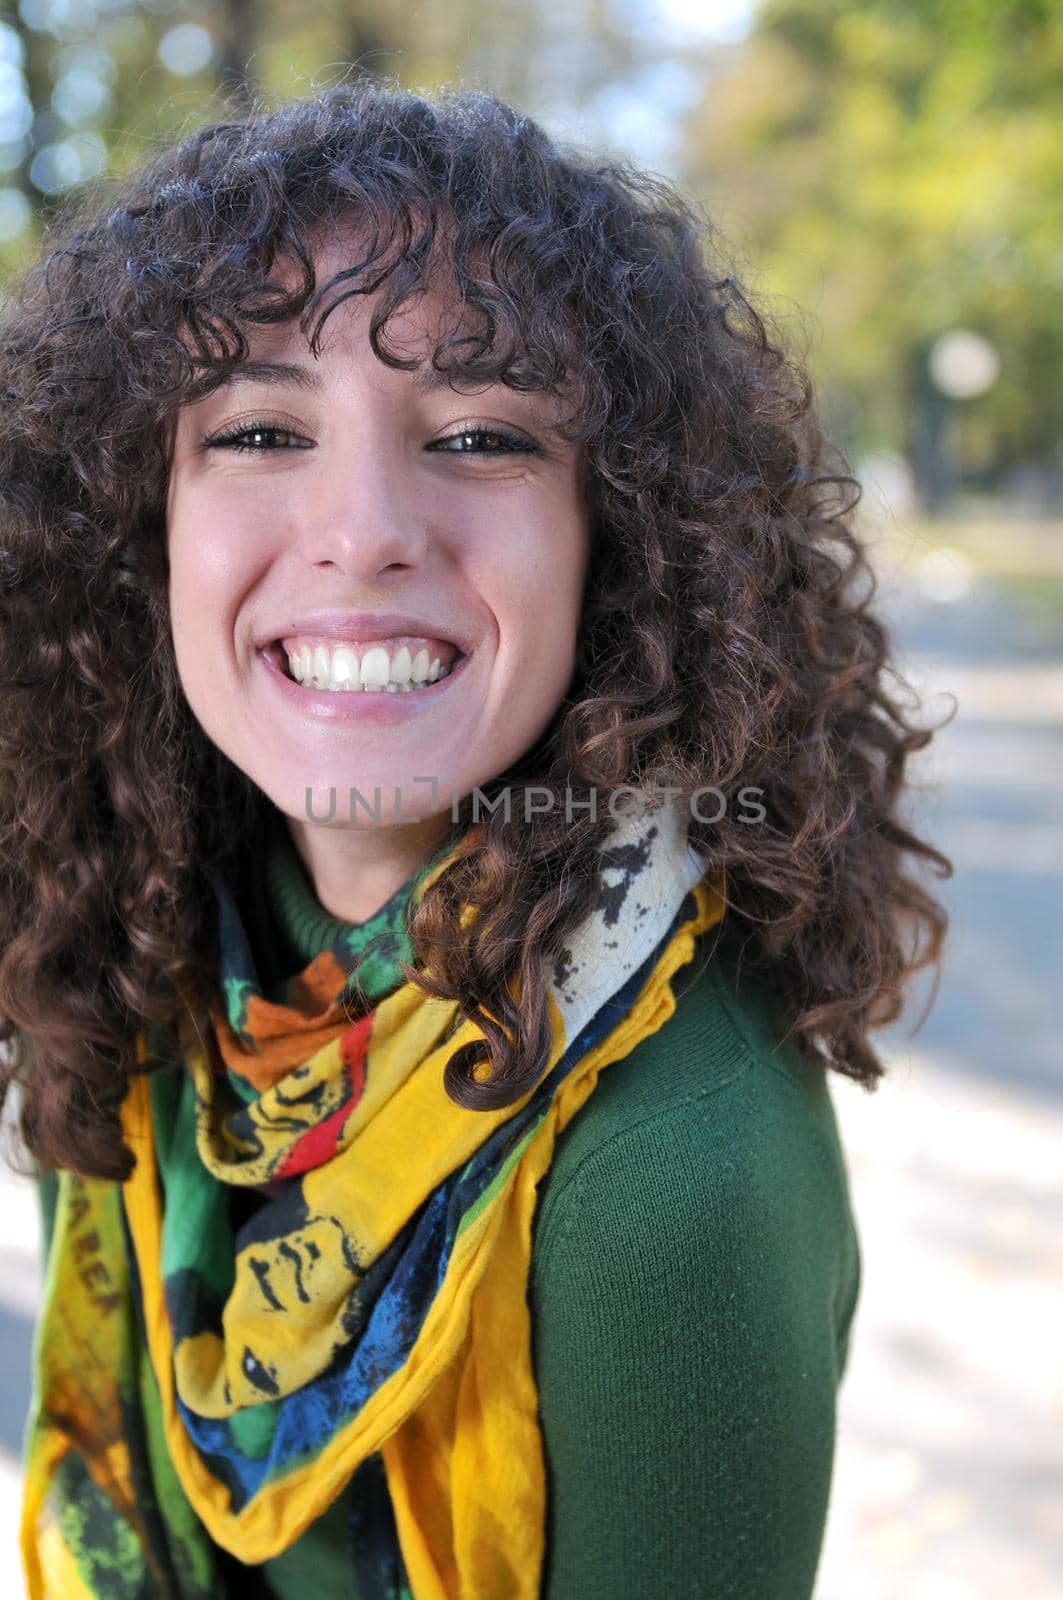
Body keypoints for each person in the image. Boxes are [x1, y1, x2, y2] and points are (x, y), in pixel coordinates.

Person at [0, 80, 951, 1600]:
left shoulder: (671, 1165)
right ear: (137, 531)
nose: (366, 526)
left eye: (481, 432)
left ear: (621, 543)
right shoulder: (120, 959)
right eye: (256, 427)